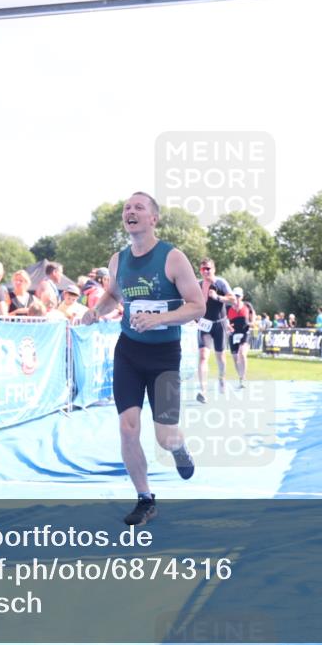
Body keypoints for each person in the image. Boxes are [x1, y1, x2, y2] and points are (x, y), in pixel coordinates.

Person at [81, 191, 205, 526]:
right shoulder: (117, 260)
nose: (130, 212)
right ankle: (145, 498)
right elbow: (112, 295)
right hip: (129, 352)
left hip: (164, 355)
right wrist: (96, 312)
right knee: (127, 427)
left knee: (165, 437)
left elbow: (197, 306)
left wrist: (159, 319)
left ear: (154, 218)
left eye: (139, 207)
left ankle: (178, 448)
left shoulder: (173, 258)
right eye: (126, 208)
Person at [195, 258, 235, 403]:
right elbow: (192, 303)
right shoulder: (198, 285)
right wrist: (195, 317)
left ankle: (221, 378)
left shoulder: (221, 283)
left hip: (220, 324)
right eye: (203, 269)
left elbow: (232, 300)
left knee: (220, 356)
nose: (205, 271)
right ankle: (203, 390)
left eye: (208, 269)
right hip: (204, 325)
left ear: (214, 269)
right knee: (203, 356)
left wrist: (217, 297)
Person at [226, 287, 253, 388]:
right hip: (233, 334)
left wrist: (252, 323)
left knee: (242, 353)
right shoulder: (228, 307)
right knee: (235, 358)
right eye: (234, 295)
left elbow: (253, 317)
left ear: (241, 296)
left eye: (238, 296)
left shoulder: (247, 306)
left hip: (245, 333)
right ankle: (240, 377)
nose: (236, 298)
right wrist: (227, 326)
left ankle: (243, 378)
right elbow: (224, 319)